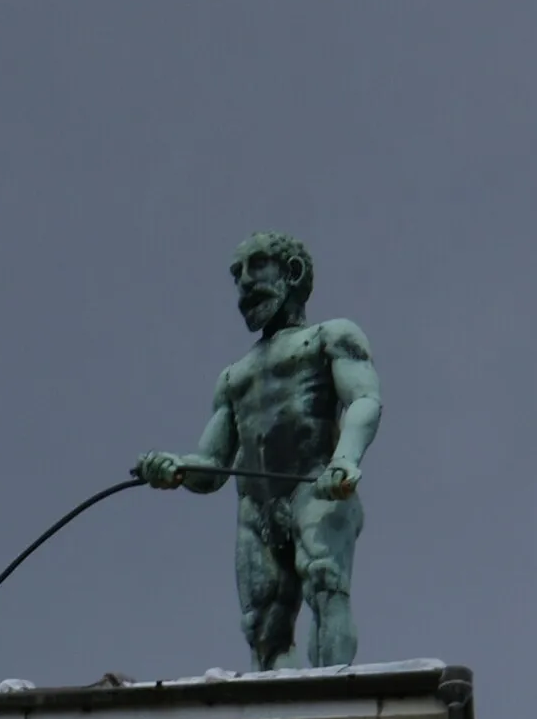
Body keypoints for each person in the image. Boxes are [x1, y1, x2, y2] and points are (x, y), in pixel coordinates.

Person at [137, 232, 381, 670]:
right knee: (263, 625)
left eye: (257, 266)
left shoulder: (330, 336)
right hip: (255, 509)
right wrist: (173, 467)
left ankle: (336, 704)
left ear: (293, 273)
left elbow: (364, 398)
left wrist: (346, 458)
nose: (245, 282)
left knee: (326, 586)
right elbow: (211, 468)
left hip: (315, 486)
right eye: (237, 274)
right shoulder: (234, 377)